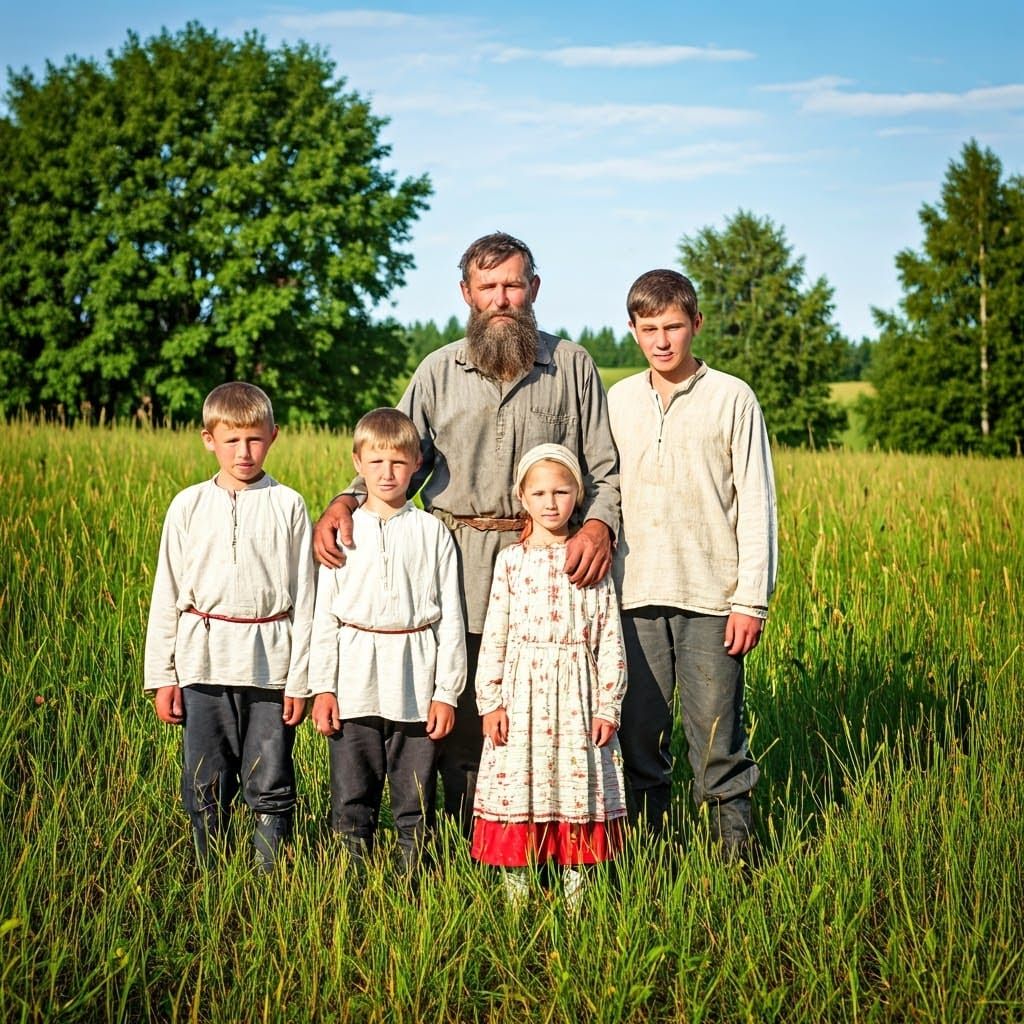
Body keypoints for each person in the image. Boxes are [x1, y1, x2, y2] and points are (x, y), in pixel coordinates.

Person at [313, 232, 620, 835]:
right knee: (454, 719)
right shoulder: (437, 370)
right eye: (488, 288)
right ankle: (464, 844)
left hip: (551, 574)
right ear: (466, 294)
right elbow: (394, 459)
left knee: (542, 720)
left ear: (534, 289)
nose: (501, 299)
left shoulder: (572, 365)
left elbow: (605, 471)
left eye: (512, 284)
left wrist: (601, 525)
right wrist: (343, 502)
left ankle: (546, 835)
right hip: (451, 560)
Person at [607, 269, 778, 861]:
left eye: (674, 327)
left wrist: (750, 599)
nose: (662, 341)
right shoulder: (618, 401)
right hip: (632, 598)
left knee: (717, 742)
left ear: (696, 324)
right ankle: (649, 861)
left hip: (712, 598)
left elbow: (757, 502)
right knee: (639, 741)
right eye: (649, 328)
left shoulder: (732, 396)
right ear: (632, 331)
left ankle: (737, 866)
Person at [144, 381, 315, 871]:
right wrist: (163, 676)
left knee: (270, 776)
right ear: (208, 439)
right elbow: (167, 595)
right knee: (206, 777)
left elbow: (306, 598)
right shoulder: (188, 505)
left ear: (274, 436)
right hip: (203, 663)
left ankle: (266, 880)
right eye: (232, 439)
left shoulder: (289, 505)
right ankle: (211, 876)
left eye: (255, 439)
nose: (244, 451)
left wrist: (300, 680)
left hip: (271, 667)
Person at [308, 408, 466, 874]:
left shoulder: (432, 532)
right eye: (376, 463)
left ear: (417, 463)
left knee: (413, 798)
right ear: (357, 463)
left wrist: (447, 692)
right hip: (354, 683)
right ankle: (350, 884)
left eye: (398, 463)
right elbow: (325, 618)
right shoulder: (343, 533)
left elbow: (450, 619)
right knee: (352, 797)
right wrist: (324, 688)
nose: (387, 473)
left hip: (416, 684)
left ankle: (410, 887)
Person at [471, 444, 626, 905]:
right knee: (519, 782)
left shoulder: (591, 561)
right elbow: (495, 634)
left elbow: (610, 638)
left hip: (577, 695)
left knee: (577, 787)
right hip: (522, 698)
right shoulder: (510, 562)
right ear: (522, 496)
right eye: (539, 492)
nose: (551, 502)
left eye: (562, 491)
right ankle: (518, 900)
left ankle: (580, 900)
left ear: (578, 495)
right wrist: (490, 701)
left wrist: (608, 705)